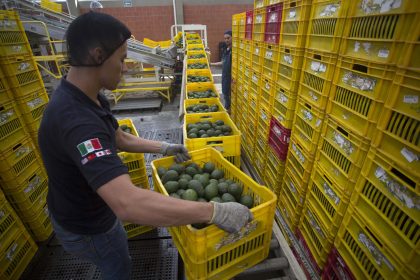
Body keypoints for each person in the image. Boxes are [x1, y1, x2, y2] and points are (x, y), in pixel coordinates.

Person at [38, 12, 252, 280]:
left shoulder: (86, 97)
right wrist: (214, 211)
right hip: (87, 227)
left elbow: (119, 138)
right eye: (122, 59)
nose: (125, 68)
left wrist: (163, 147)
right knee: (118, 267)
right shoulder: (77, 122)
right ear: (97, 55)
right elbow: (128, 203)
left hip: (90, 209)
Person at [211, 30, 232, 112]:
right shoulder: (226, 50)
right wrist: (211, 64)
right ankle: (228, 108)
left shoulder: (234, 51)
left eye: (228, 38)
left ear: (233, 38)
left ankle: (228, 109)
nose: (226, 40)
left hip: (231, 76)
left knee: (229, 94)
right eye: (225, 38)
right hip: (225, 75)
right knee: (225, 92)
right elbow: (223, 62)